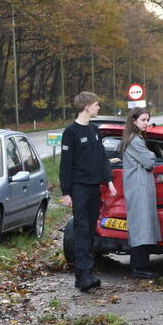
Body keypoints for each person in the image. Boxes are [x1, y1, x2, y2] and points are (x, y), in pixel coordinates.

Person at [60, 91, 115, 292]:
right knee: (81, 230)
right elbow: (65, 165)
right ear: (87, 106)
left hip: (94, 189)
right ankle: (83, 275)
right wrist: (66, 192)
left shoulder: (94, 130)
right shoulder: (71, 132)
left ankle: (86, 273)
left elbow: (102, 158)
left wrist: (109, 180)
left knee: (90, 230)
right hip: (79, 188)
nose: (98, 108)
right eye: (96, 105)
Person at [119, 108, 161, 279]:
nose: (146, 123)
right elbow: (149, 161)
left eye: (147, 119)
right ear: (134, 120)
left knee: (141, 226)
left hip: (137, 187)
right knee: (142, 227)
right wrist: (152, 154)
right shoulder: (135, 141)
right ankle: (139, 268)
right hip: (139, 189)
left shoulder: (131, 138)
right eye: (143, 119)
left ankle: (141, 266)